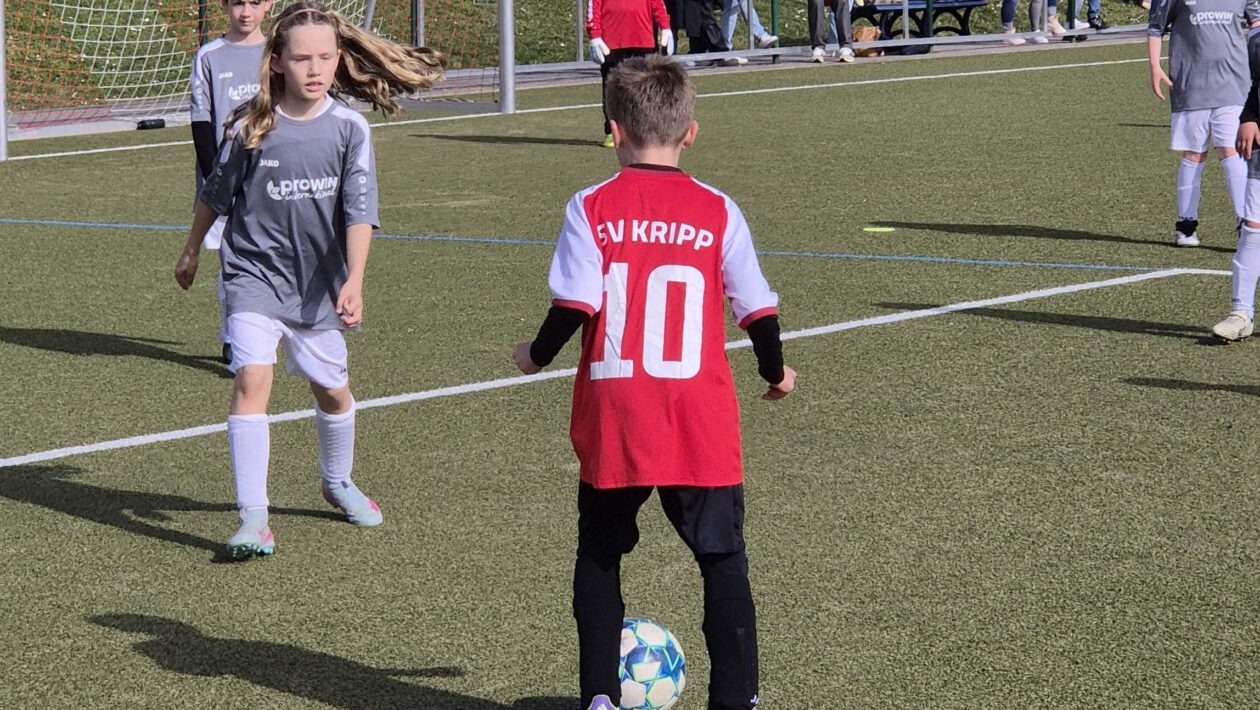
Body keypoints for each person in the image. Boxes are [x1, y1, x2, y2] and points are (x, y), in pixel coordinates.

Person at [511, 55, 796, 710]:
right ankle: (736, 698)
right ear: (690, 133)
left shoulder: (591, 206)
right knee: (722, 557)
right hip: (697, 412)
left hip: (617, 410)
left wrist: (537, 355)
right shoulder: (718, 209)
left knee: (600, 553)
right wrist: (774, 372)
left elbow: (575, 302)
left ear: (614, 130)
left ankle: (600, 697)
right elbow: (756, 307)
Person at [174, 1, 445, 560]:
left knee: (333, 391)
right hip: (253, 274)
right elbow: (215, 194)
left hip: (319, 285)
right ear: (276, 62)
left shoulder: (349, 128)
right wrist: (191, 251)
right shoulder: (251, 126)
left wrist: (355, 281)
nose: (314, 68)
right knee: (252, 378)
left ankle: (337, 480)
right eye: (301, 59)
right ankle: (254, 519)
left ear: (339, 58)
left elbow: (360, 212)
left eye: (324, 57)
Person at [190, 0, 274, 364]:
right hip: (225, 177)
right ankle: (234, 339)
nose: (246, 12)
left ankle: (270, 328)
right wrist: (216, 177)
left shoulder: (278, 51)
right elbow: (201, 120)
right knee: (232, 261)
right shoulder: (209, 56)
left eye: (255, 2)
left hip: (270, 176)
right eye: (238, 2)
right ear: (225, 4)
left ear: (268, 4)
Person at [1148, 0, 1260, 248]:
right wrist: (1155, 66)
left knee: (1232, 151)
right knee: (1194, 154)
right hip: (1191, 85)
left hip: (1235, 84)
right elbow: (1156, 27)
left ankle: (1245, 222)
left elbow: (1257, 22)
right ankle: (1186, 225)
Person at [1215, 28, 1260, 340]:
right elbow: (1256, 86)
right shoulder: (1257, 43)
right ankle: (1241, 313)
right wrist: (1249, 117)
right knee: (1253, 227)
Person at [586, 0, 674, 148]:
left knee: (647, 87)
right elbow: (593, 6)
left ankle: (647, 128)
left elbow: (657, 3)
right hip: (611, 41)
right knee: (612, 87)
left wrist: (665, 26)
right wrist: (594, 35)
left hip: (643, 37)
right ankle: (613, 130)